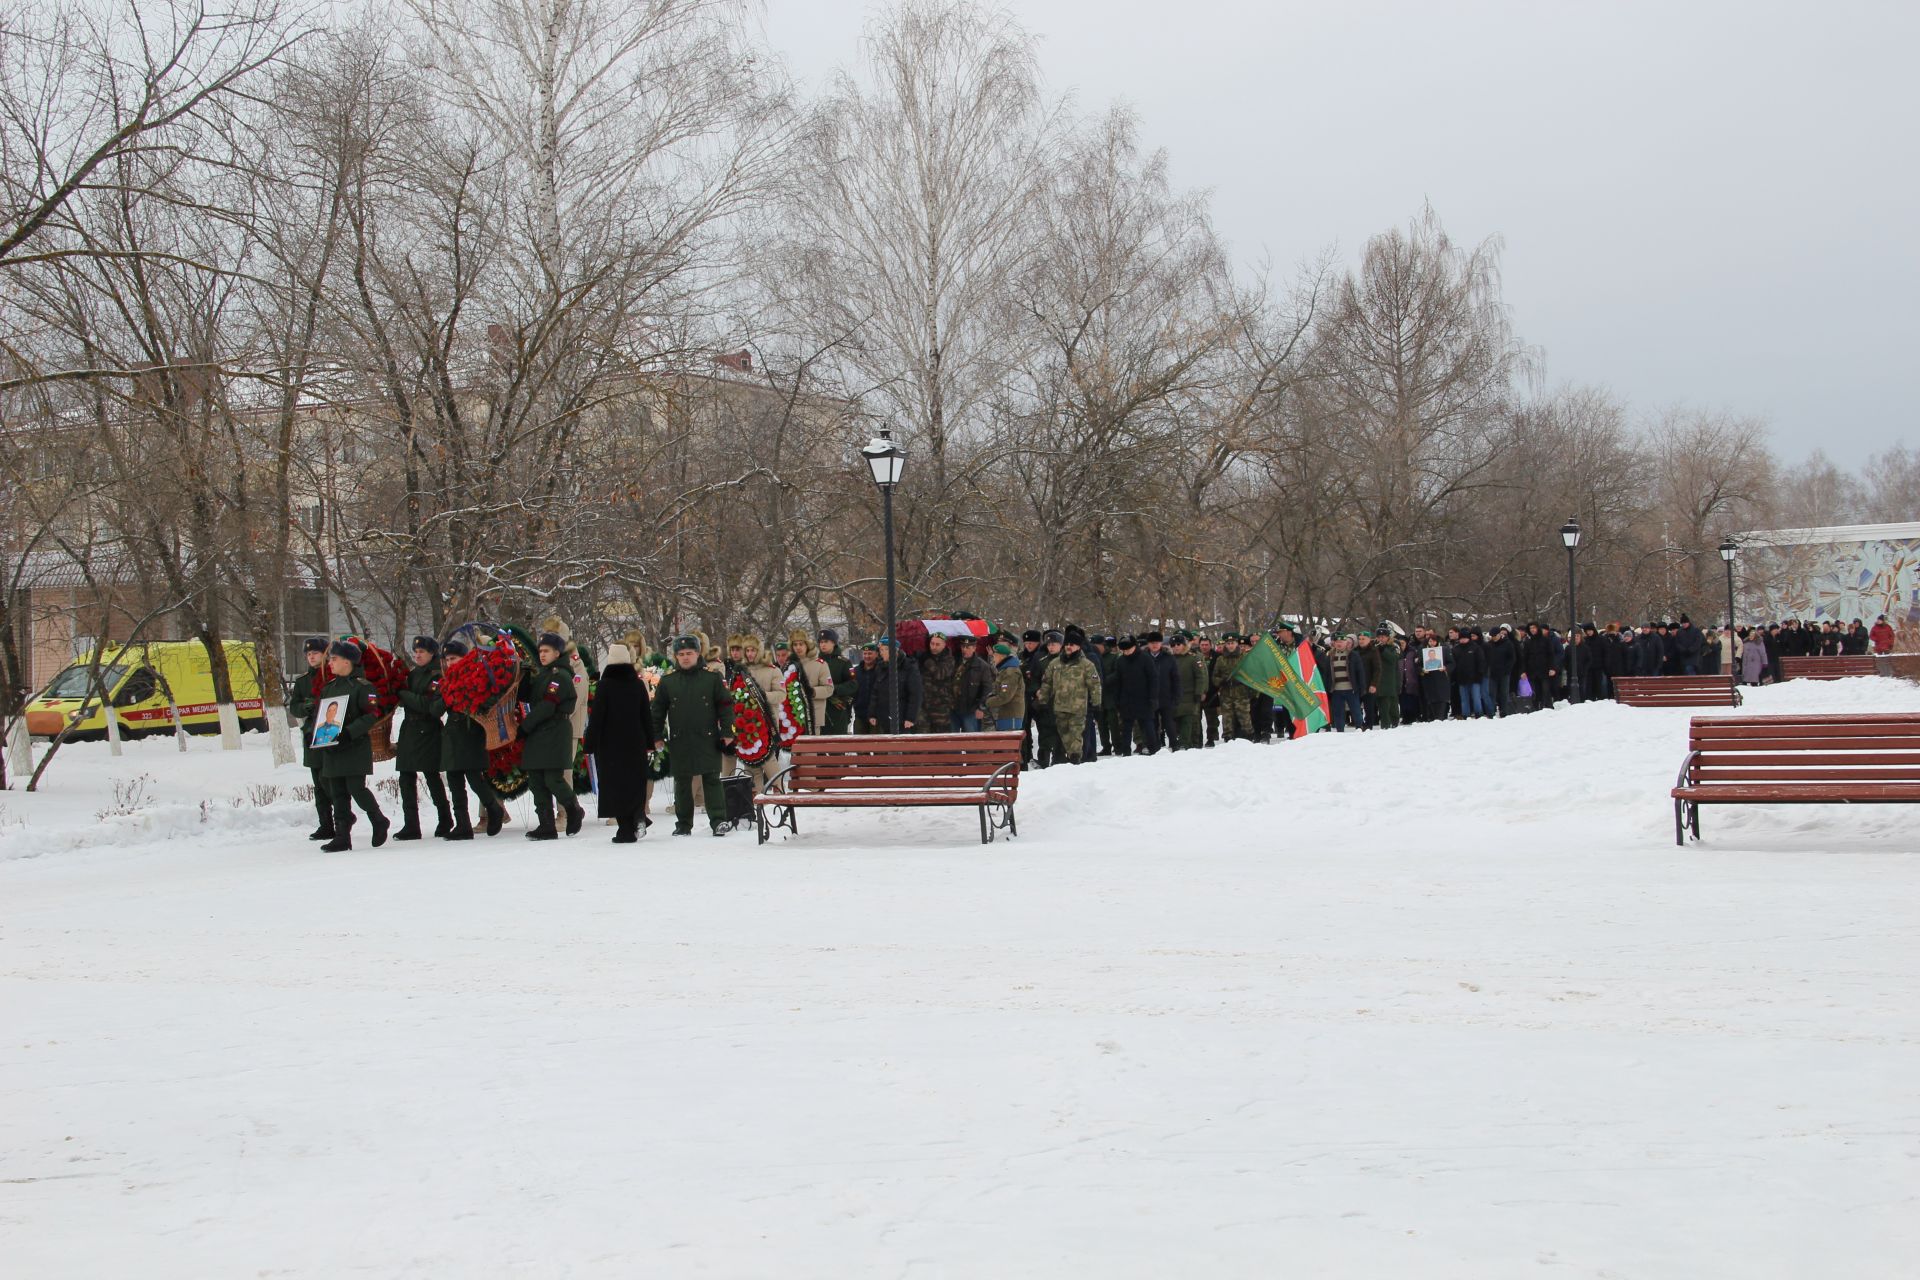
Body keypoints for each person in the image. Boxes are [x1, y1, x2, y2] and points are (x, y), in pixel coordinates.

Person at [650, 635, 735, 836]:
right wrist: (656, 735)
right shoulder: (668, 681)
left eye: (689, 653)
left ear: (698, 653)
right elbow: (657, 711)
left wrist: (727, 732)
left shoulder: (711, 678)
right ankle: (683, 824)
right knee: (682, 782)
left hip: (708, 737)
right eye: (681, 654)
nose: (686, 658)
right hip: (680, 738)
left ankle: (718, 821)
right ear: (676, 657)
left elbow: (726, 707)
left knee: (712, 780)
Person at [431, 637, 509, 840]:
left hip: (470, 733)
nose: (450, 663)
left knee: (475, 779)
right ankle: (462, 824)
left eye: (454, 658)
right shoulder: (446, 681)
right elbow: (435, 709)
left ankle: (494, 809)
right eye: (447, 659)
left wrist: (462, 695)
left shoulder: (476, 676)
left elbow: (487, 701)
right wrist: (446, 695)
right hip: (452, 735)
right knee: (455, 781)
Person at [315, 640, 389, 852]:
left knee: (356, 788)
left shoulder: (363, 687)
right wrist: (316, 734)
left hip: (353, 746)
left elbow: (371, 716)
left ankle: (378, 820)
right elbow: (321, 715)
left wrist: (348, 733)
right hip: (332, 747)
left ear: (347, 662)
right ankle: (342, 836)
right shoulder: (329, 688)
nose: (329, 663)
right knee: (337, 790)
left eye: (334, 659)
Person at [582, 643, 654, 842]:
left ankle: (625, 830)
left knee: (616, 786)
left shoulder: (605, 685)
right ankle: (638, 815)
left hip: (611, 744)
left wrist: (589, 743)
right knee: (634, 782)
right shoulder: (638, 684)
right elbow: (646, 715)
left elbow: (597, 717)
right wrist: (650, 740)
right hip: (635, 742)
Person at [519, 631, 584, 841]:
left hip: (554, 730)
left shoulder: (560, 675)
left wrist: (525, 726)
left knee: (553, 778)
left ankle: (573, 809)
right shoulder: (545, 674)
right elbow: (528, 697)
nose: (542, 654)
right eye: (540, 651)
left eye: (546, 651)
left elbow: (547, 705)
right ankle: (546, 824)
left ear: (557, 652)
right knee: (536, 780)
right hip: (540, 731)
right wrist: (524, 678)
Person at [393, 635, 453, 841]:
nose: (417, 655)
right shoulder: (413, 674)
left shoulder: (438, 676)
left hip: (427, 730)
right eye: (415, 652)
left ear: (432, 654)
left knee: (431, 775)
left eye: (422, 652)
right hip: (410, 728)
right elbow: (407, 700)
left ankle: (445, 818)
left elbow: (430, 706)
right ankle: (411, 824)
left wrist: (404, 695)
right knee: (405, 777)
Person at [286, 637, 335, 841]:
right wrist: (305, 707)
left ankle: (342, 819)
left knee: (331, 781)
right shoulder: (303, 681)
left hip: (330, 733)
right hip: (311, 734)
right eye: (308, 654)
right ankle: (325, 824)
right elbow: (294, 705)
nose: (311, 656)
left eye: (315, 653)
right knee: (319, 783)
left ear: (325, 654)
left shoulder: (333, 676)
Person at [1033, 627, 1101, 764]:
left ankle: (1075, 762)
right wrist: (1043, 700)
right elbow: (1047, 683)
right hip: (1059, 708)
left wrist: (1097, 703)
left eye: (1072, 645)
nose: (1069, 647)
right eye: (1067, 644)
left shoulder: (1086, 665)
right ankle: (1059, 763)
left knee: (1075, 738)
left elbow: (1095, 685)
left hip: (1078, 709)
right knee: (1061, 737)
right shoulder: (1055, 663)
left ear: (1078, 647)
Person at [865, 637, 922, 733]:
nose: (881, 653)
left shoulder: (908, 667)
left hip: (902, 719)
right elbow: (875, 692)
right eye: (880, 650)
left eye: (883, 650)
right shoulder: (881, 666)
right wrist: (872, 714)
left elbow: (915, 694)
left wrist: (911, 717)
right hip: (884, 717)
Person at [918, 631, 960, 733]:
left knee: (941, 736)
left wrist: (928, 661)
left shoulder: (949, 659)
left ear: (944, 645)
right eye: (932, 643)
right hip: (924, 703)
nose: (934, 647)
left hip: (940, 705)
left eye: (937, 644)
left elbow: (940, 674)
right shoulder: (924, 656)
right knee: (922, 735)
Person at [816, 630, 857, 734]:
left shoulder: (843, 662)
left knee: (837, 745)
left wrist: (833, 689)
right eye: (821, 642)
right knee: (818, 746)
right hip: (818, 708)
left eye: (826, 641)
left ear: (833, 643)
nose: (823, 644)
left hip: (837, 709)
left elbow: (853, 684)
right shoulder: (814, 662)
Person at [1145, 631, 1181, 750]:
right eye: (1152, 643)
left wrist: (1176, 694)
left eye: (1157, 643)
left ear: (1161, 643)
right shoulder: (1144, 658)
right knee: (1152, 723)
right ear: (1148, 644)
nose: (1154, 645)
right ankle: (1154, 746)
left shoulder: (1168, 658)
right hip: (1149, 696)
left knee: (1168, 722)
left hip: (1166, 695)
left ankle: (1174, 744)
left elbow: (1175, 678)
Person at [1172, 633, 1208, 749]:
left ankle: (1186, 743)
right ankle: (1180, 742)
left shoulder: (1193, 658)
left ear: (1184, 645)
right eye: (1173, 645)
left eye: (1178, 644)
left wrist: (1199, 692)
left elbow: (1200, 676)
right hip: (1174, 696)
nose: (1176, 647)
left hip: (1189, 695)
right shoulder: (1169, 659)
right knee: (1175, 720)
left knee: (1187, 721)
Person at [954, 634, 993, 732]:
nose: (965, 650)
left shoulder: (982, 666)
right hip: (954, 708)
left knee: (972, 741)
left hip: (971, 709)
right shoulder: (954, 662)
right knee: (951, 741)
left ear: (974, 648)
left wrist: (981, 707)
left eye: (968, 647)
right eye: (963, 646)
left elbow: (987, 689)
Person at [986, 641, 1025, 730]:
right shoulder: (1004, 670)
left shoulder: (1010, 672)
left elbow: (1005, 696)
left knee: (1008, 743)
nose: (993, 659)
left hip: (1011, 717)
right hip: (1005, 716)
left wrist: (987, 702)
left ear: (1001, 656)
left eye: (995, 656)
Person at [1371, 627, 1402, 729]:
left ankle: (1394, 722)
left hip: (1390, 679)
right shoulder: (1374, 647)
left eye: (1383, 637)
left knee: (1392, 702)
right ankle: (1385, 724)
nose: (1381, 639)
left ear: (1388, 638)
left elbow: (1394, 659)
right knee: (1382, 704)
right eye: (1379, 637)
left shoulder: (1392, 647)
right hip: (1379, 680)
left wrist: (1383, 650)